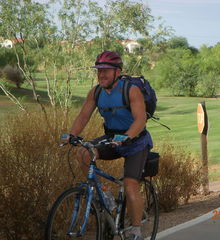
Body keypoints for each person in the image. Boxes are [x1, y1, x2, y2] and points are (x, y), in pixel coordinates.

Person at [62, 50, 153, 240]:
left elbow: (140, 119)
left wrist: (127, 136)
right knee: (84, 153)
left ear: (117, 72)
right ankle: (106, 196)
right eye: (98, 71)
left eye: (106, 70)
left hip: (136, 141)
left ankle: (136, 230)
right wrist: (72, 135)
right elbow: (83, 116)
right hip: (111, 138)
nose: (101, 75)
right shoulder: (96, 92)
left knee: (130, 184)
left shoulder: (130, 90)